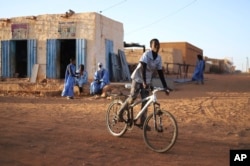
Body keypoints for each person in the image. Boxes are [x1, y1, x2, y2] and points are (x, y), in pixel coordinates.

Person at [118, 38, 171, 127]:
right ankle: (120, 113)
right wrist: (144, 82)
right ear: (151, 46)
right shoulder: (146, 54)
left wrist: (165, 86)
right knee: (132, 97)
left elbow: (160, 73)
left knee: (146, 101)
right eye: (155, 45)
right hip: (138, 78)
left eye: (158, 45)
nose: (157, 47)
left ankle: (143, 123)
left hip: (147, 80)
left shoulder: (158, 58)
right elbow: (143, 68)